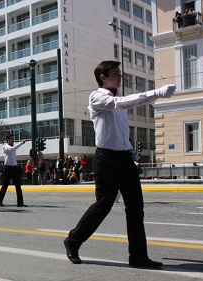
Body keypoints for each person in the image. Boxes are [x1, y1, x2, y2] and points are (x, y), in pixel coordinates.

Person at [63, 60, 176, 268]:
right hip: (106, 159)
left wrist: (131, 153)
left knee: (136, 208)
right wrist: (156, 93)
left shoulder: (119, 100)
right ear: (103, 77)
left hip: (125, 158)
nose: (120, 76)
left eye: (119, 73)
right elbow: (121, 103)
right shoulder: (97, 97)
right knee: (102, 206)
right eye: (115, 73)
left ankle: (138, 256)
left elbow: (122, 132)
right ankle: (73, 240)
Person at [0, 134, 27, 207]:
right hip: (7, 167)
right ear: (7, 140)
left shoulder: (13, 146)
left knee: (18, 186)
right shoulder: (5, 147)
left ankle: (20, 203)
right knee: (5, 185)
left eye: (13, 138)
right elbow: (12, 149)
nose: (13, 140)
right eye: (11, 139)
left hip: (15, 167)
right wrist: (21, 143)